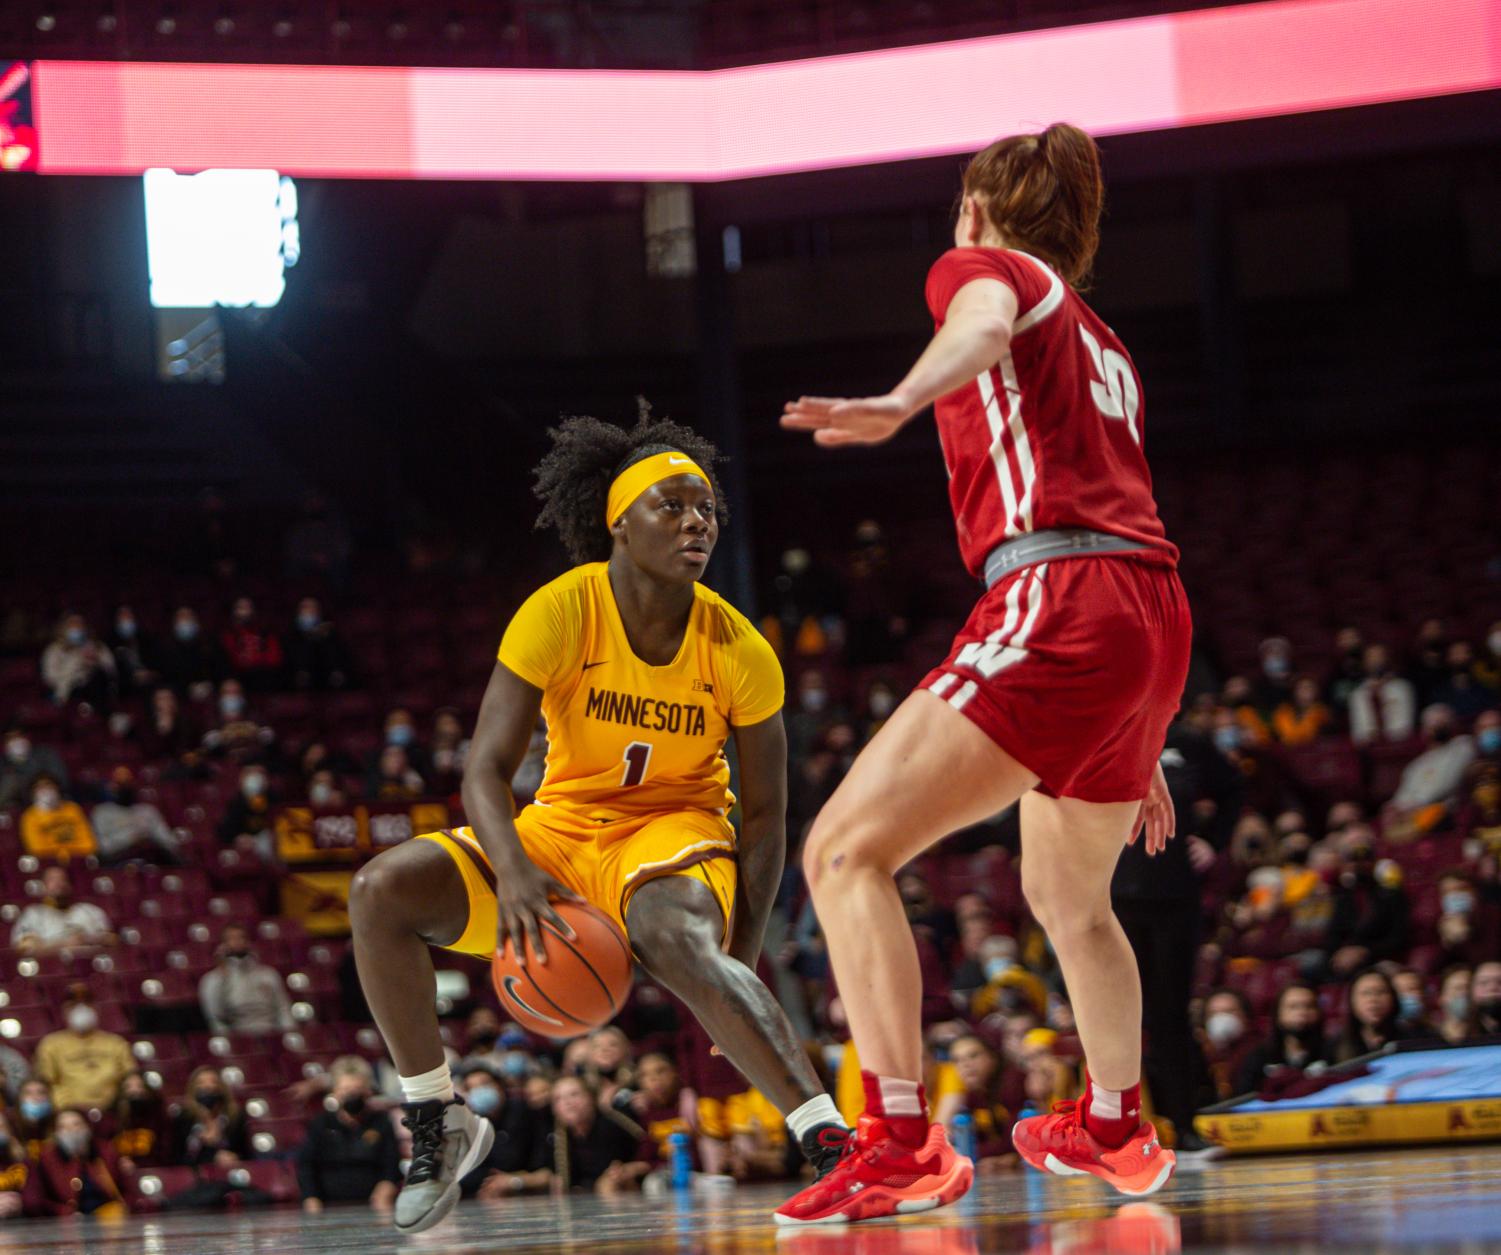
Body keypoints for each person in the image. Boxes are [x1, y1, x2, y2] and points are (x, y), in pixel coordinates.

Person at [775, 123, 1189, 1224]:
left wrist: (901, 401)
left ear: (976, 209)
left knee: (843, 849)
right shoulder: (1105, 340)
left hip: (1060, 597)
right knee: (1067, 894)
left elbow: (980, 320)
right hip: (1143, 615)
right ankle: (1115, 1124)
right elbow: (1119, 495)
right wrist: (1125, 719)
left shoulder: (987, 268)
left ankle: (901, 1139)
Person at [348, 411, 847, 1234]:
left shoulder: (738, 645)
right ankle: (438, 1118)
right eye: (673, 505)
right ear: (619, 520)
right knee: (379, 891)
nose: (697, 522)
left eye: (707, 509)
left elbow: (764, 817)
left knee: (672, 929)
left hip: (672, 827)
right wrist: (511, 870)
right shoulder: (560, 609)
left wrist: (740, 954)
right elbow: (482, 772)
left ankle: (832, 1142)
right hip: (562, 826)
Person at [297, 1057, 400, 1215]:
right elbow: (306, 1166)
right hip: (329, 1206)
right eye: (346, 1089)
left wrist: (387, 1186)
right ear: (335, 1091)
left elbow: (391, 1163)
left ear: (368, 1091)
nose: (352, 1095)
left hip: (373, 1203)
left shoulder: (381, 1122)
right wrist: (311, 1199)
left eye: (357, 1089)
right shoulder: (321, 1124)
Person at [457, 1065, 552, 1199]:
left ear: (499, 1085)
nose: (480, 1091)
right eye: (472, 1088)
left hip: (533, 1197)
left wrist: (514, 1180)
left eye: (485, 1083)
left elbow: (545, 1171)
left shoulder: (525, 1112)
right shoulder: (470, 1125)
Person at [32, 986, 134, 1110]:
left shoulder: (116, 1043)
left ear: (96, 1008)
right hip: (68, 1112)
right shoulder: (51, 1044)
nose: (81, 1009)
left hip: (112, 1110)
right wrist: (67, 1108)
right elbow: (47, 1082)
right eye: (73, 1005)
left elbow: (130, 1078)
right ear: (64, 1010)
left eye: (87, 1003)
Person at [547, 1076, 649, 1195]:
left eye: (574, 1094)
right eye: (558, 1099)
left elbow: (646, 1146)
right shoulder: (558, 1137)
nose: (567, 1103)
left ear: (590, 1097)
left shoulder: (613, 1122)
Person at [932, 1034, 1019, 1171]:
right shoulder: (972, 1094)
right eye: (957, 1060)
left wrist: (1012, 1156)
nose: (966, 1065)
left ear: (992, 1058)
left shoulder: (1013, 1083)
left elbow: (1015, 1139)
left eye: (973, 1056)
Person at [26, 1108, 128, 1217]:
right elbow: (36, 1200)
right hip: (67, 1223)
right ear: (55, 1133)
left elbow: (127, 1190)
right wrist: (64, 1212)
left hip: (109, 1219)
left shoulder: (106, 1152)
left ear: (88, 1127)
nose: (71, 1131)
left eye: (76, 1124)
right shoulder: (47, 1159)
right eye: (63, 1127)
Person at [1232, 984, 1331, 1095]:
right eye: (1293, 1007)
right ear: (1278, 1014)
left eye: (1309, 1006)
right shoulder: (1258, 1056)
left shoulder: (1333, 1051)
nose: (1302, 1012)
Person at [198, 923, 295, 1034]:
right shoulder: (212, 980)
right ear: (223, 945)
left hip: (270, 1029)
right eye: (232, 938)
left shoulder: (268, 974)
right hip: (238, 1033)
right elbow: (215, 1016)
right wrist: (222, 976)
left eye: (241, 937)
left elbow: (283, 1009)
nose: (237, 942)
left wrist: (288, 1034)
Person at [11, 865, 113, 954]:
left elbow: (112, 940)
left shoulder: (91, 911)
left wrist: (87, 939)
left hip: (91, 970)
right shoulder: (33, 914)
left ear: (70, 885)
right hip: (50, 970)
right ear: (43, 887)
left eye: (63, 879)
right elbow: (25, 948)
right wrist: (64, 944)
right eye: (52, 880)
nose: (59, 884)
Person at [90, 767, 183, 865]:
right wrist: (132, 837)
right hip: (119, 861)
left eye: (127, 782)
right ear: (112, 786)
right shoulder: (102, 812)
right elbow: (102, 847)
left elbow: (170, 842)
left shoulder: (148, 811)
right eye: (120, 784)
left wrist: (149, 837)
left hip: (151, 859)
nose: (125, 787)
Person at [1332, 969, 1422, 1063]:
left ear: (1393, 998)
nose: (1373, 999)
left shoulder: (1413, 1039)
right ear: (1352, 1001)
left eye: (1381, 992)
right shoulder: (1335, 1045)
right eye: (1365, 993)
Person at [169, 1066, 252, 1168]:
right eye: (201, 1083)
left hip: (229, 1174)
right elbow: (175, 1159)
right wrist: (211, 1157)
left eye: (213, 1082)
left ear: (221, 1088)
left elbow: (247, 1156)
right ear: (193, 1089)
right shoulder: (183, 1118)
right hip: (194, 1176)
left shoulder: (235, 1118)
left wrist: (234, 1158)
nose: (208, 1087)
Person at [41, 613, 116, 707]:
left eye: (80, 625)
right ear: (64, 628)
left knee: (99, 678)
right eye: (73, 625)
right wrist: (74, 669)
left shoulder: (97, 646)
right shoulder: (53, 650)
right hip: (68, 690)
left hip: (95, 686)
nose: (77, 628)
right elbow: (50, 677)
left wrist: (95, 660)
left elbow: (111, 669)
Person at [19, 776, 97, 861]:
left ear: (57, 788)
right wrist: (63, 853)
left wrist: (65, 853)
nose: (46, 790)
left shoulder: (73, 809)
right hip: (49, 862)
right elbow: (37, 849)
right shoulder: (29, 816)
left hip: (78, 859)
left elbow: (89, 844)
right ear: (33, 792)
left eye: (49, 785)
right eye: (40, 787)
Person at [286, 597, 353, 691]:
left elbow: (339, 662)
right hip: (297, 688)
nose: (308, 612)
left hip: (328, 686)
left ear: (318, 613)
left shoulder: (330, 636)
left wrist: (336, 672)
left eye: (311, 609)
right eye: (304, 608)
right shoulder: (291, 637)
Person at [157, 607, 223, 700]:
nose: (185, 622)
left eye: (188, 617)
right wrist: (188, 688)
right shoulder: (166, 648)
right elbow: (166, 676)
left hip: (210, 692)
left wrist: (209, 685)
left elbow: (219, 670)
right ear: (174, 623)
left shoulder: (209, 644)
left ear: (196, 622)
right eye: (181, 618)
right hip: (179, 695)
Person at [220, 596, 284, 691]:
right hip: (237, 678)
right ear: (234, 611)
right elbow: (227, 659)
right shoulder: (228, 634)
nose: (244, 612)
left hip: (264, 677)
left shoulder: (265, 633)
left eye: (247, 607)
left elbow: (274, 658)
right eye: (241, 608)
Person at [216, 764, 276, 862]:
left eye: (258, 773)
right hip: (247, 849)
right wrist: (237, 838)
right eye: (250, 773)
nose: (254, 777)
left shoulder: (273, 798)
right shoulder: (236, 802)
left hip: (271, 846)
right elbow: (225, 831)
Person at [0, 727, 69, 813]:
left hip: (56, 801)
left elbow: (61, 781)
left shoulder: (46, 753)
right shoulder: (3, 765)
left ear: (27, 738)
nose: (16, 742)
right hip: (24, 809)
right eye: (10, 739)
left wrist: (43, 790)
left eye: (19, 736)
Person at [109, 1072, 171, 1167]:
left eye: (139, 1086)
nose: (134, 1091)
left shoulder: (159, 1117)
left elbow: (165, 1152)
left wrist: (138, 1165)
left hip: (153, 1170)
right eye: (128, 1087)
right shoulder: (111, 1119)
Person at [1435, 964, 1475, 1044]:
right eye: (1458, 988)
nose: (1465, 993)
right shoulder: (1426, 1037)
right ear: (1442, 998)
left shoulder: (1487, 1032)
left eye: (1469, 988)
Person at [0, 1109, 27, 1220]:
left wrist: (17, 1202)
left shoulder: (22, 1160)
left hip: (23, 1223)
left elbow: (35, 1200)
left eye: (1, 1127)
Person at [1470, 960, 1501, 1039]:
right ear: (1471, 990)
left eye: (1500, 982)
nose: (1492, 988)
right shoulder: (1457, 1036)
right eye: (1484, 982)